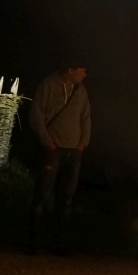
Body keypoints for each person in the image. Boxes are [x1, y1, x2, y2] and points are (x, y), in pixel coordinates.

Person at [27, 63, 91, 254]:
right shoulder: (48, 85)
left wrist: (82, 144)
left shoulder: (81, 91)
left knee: (66, 199)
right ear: (70, 70)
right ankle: (34, 243)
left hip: (74, 152)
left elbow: (86, 118)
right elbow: (36, 114)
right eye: (82, 70)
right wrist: (47, 141)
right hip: (52, 150)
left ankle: (58, 244)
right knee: (43, 195)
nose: (85, 75)